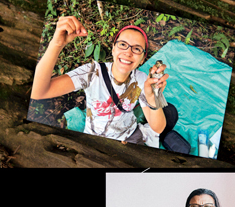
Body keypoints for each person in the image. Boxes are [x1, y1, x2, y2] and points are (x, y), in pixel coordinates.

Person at [31, 16, 171, 145]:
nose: (128, 52)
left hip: (128, 136)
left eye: (136, 49)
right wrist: (57, 44)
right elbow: (38, 92)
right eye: (123, 44)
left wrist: (154, 99)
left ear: (142, 58)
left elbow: (157, 128)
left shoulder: (142, 81)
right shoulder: (92, 73)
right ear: (113, 49)